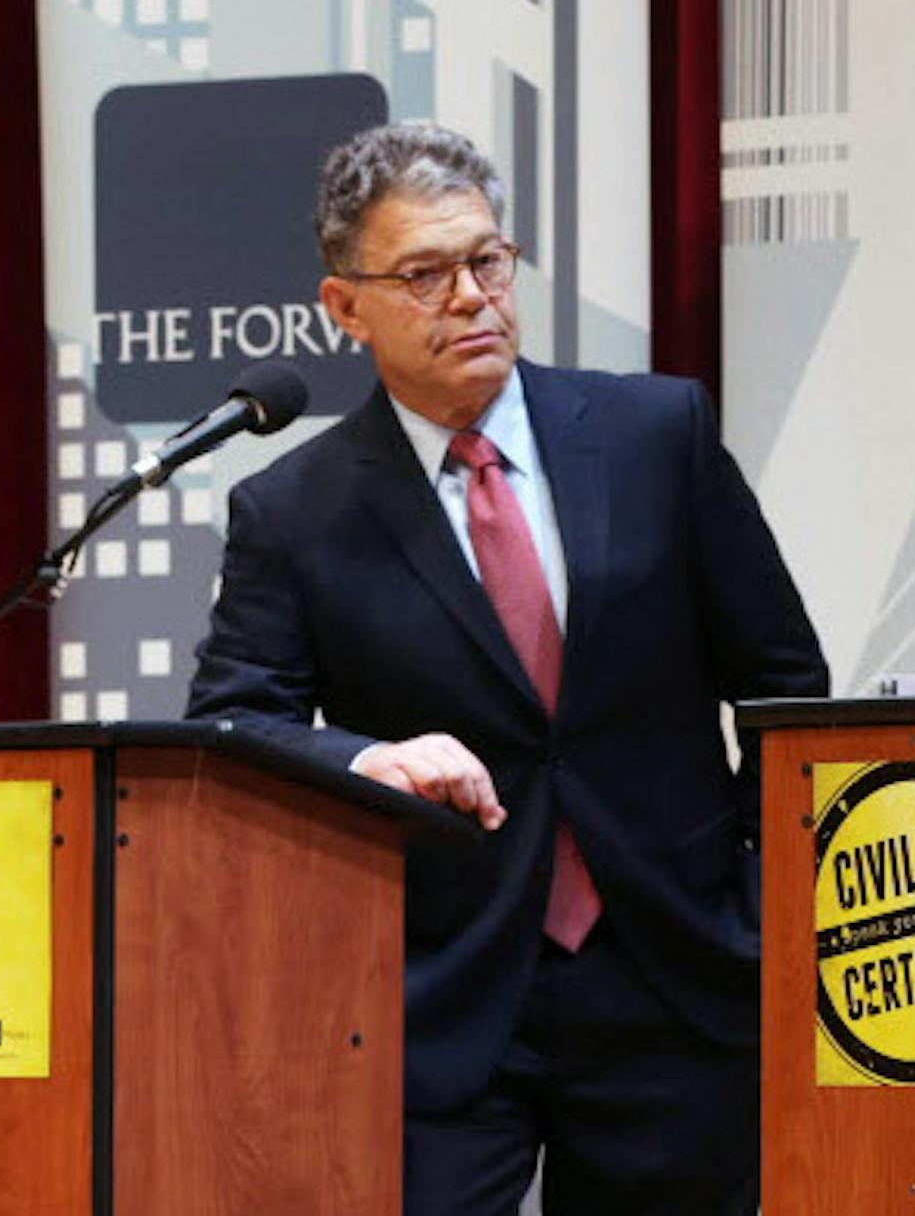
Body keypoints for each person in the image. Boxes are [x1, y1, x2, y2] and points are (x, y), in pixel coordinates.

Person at [187, 122, 828, 1216]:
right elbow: (236, 725)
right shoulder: (295, 512)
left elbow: (784, 684)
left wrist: (759, 898)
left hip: (673, 969)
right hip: (443, 987)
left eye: (487, 261)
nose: (473, 297)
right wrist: (369, 757)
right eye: (425, 276)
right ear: (345, 308)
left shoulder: (652, 432)